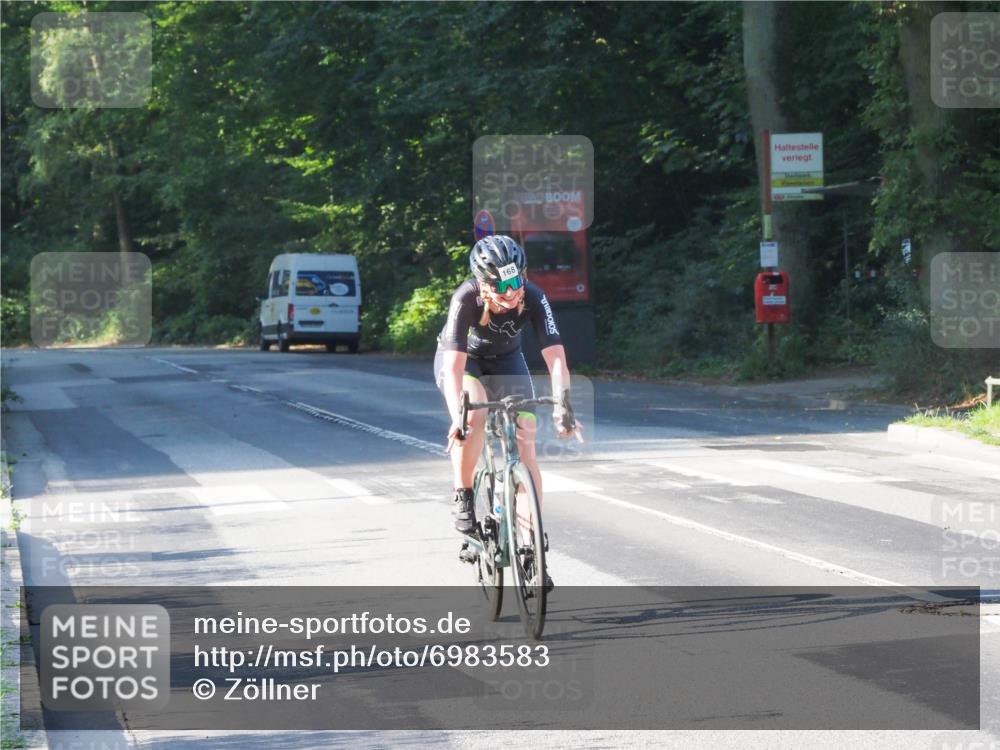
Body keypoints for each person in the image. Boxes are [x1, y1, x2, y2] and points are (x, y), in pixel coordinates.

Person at [433, 234, 579, 546]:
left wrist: (563, 407)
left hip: (506, 361)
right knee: (473, 414)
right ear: (483, 284)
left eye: (516, 282)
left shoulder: (535, 298)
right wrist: (457, 417)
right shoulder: (465, 298)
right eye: (500, 286)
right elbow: (454, 368)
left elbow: (556, 360)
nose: (510, 292)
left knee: (526, 435)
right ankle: (463, 493)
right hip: (466, 362)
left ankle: (531, 539)